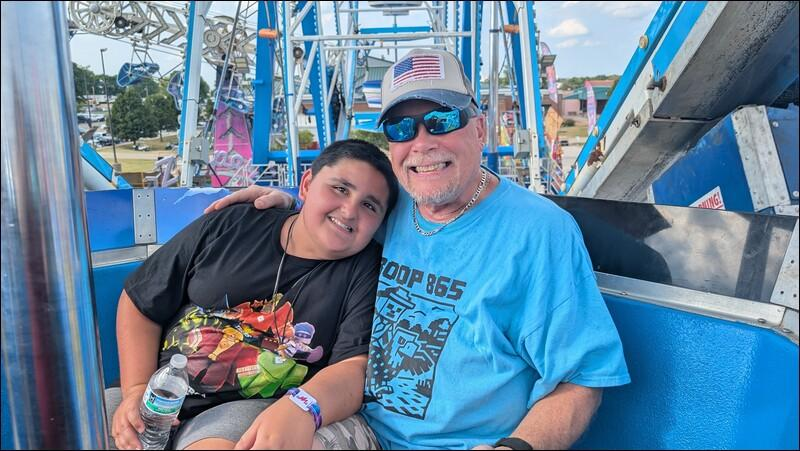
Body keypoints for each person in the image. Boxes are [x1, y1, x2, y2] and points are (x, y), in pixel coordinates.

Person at [206, 48, 631, 450]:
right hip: (360, 426)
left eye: (442, 120)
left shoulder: (540, 231)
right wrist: (286, 204)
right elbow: (334, 209)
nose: (422, 143)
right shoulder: (390, 203)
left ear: (479, 128)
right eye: (401, 128)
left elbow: (581, 379)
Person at [107, 139, 398, 450]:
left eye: (369, 205)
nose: (349, 210)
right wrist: (136, 389)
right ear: (307, 184)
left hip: (238, 409)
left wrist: (303, 408)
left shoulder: (365, 270)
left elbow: (353, 365)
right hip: (158, 390)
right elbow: (142, 300)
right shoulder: (235, 223)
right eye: (340, 189)